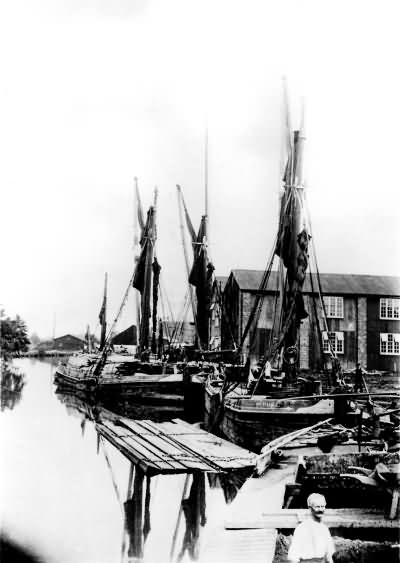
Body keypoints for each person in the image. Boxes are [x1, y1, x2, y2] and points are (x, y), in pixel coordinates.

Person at [287, 493, 335, 563]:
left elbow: (330, 553)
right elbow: (293, 556)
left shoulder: (324, 528)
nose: (321, 509)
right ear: (310, 508)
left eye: (323, 506)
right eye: (317, 507)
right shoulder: (302, 528)